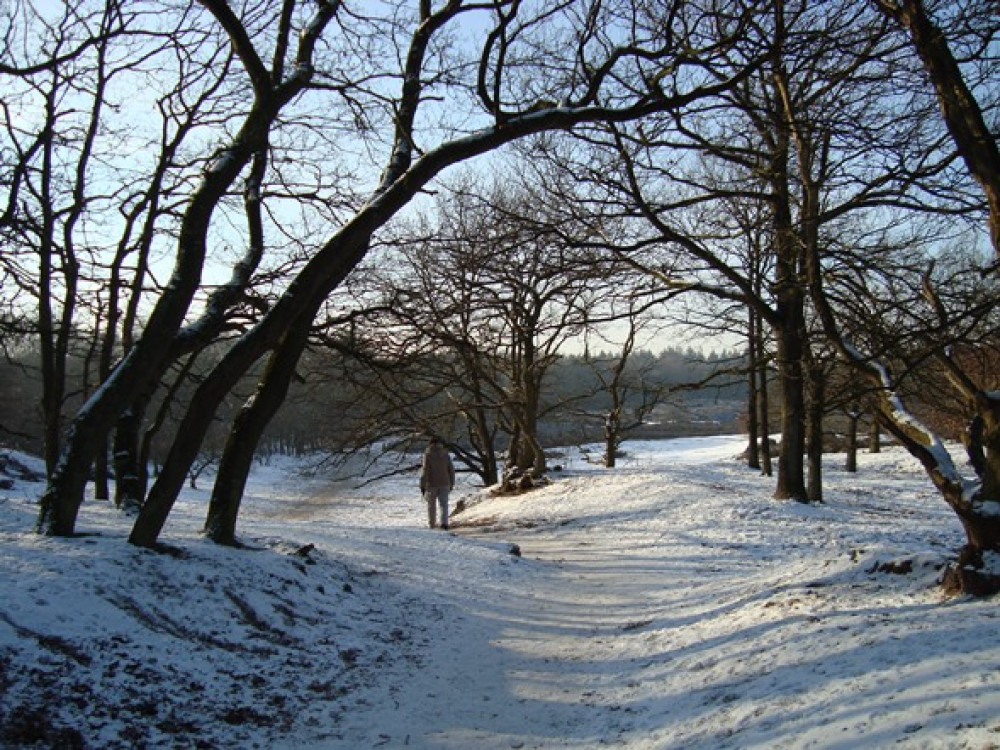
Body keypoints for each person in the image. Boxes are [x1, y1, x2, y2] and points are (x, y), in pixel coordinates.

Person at [420, 437, 455, 530]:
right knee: (444, 505)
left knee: (431, 506)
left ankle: (432, 524)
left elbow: (425, 471)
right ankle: (444, 524)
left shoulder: (428, 455)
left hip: (431, 484)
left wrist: (422, 485)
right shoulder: (446, 454)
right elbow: (451, 470)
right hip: (445, 483)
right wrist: (452, 482)